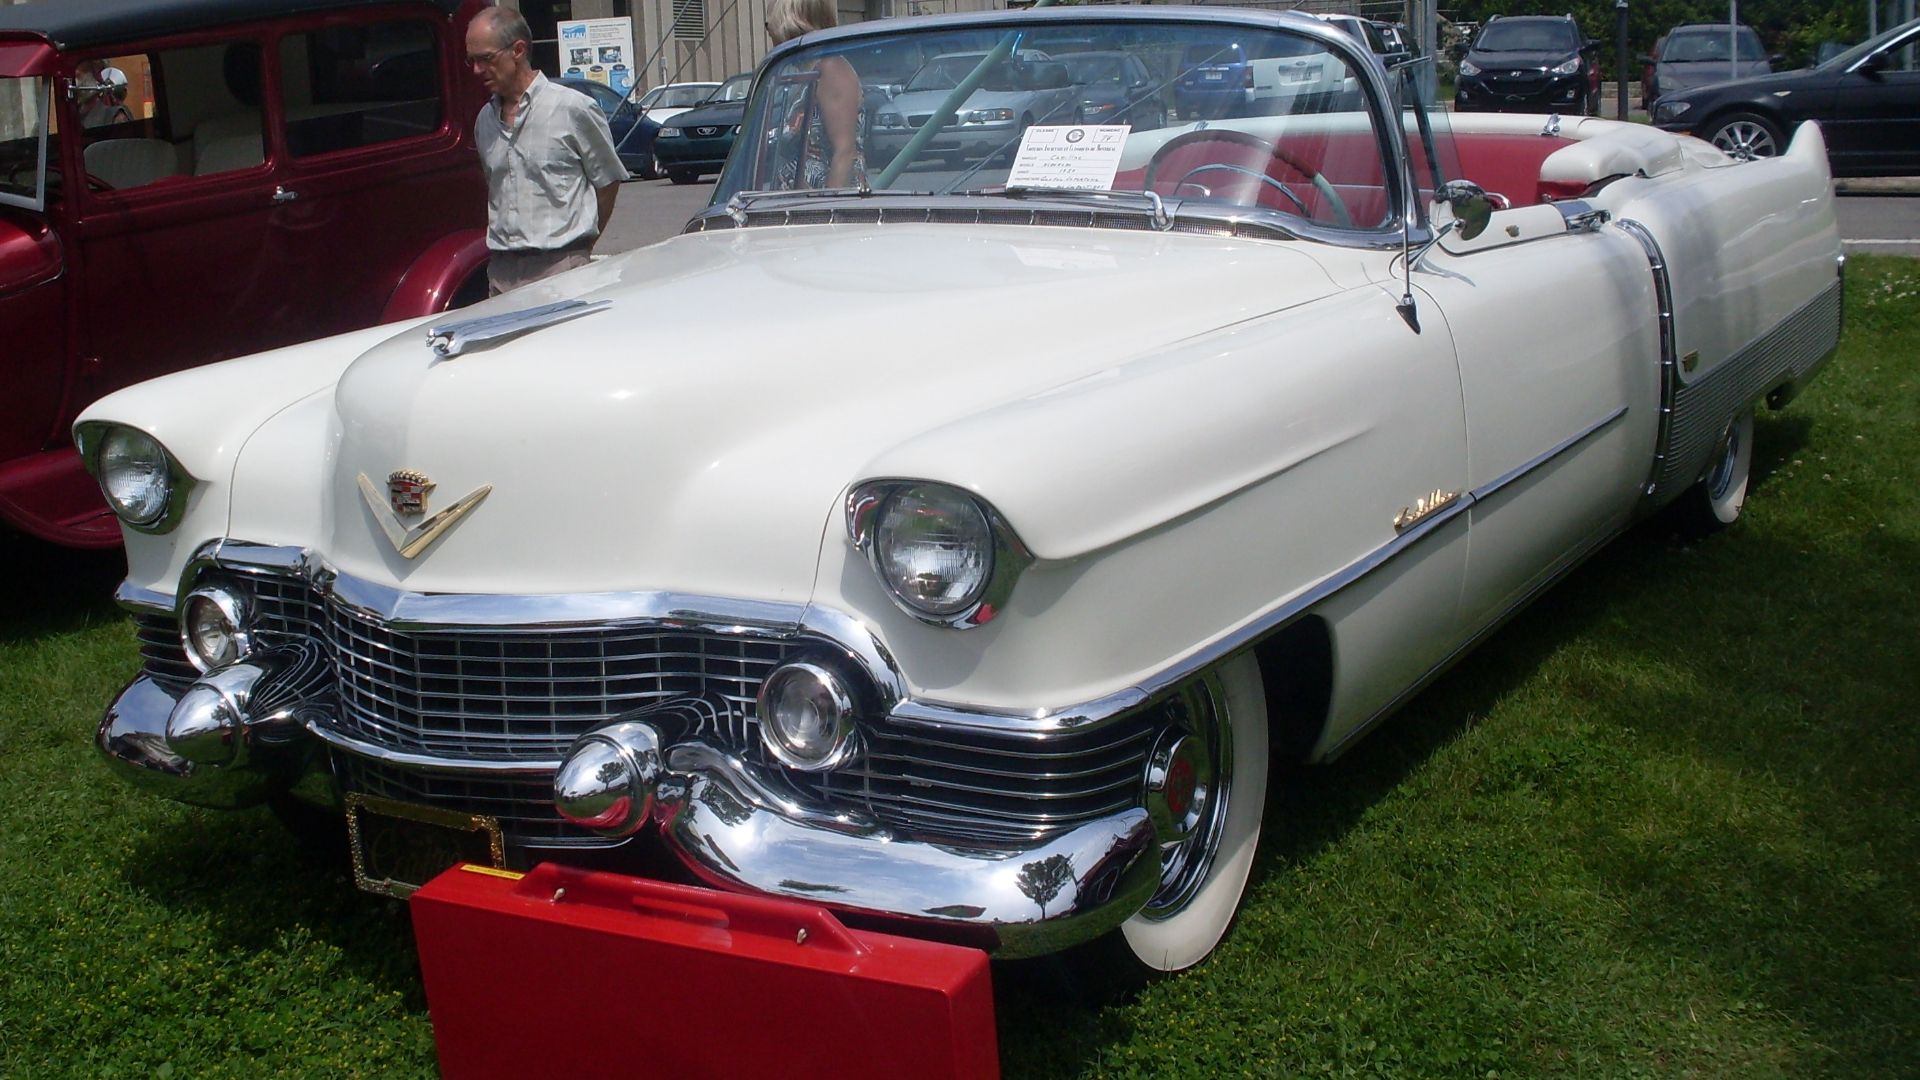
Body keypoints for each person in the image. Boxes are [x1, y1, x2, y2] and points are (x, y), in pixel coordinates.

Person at [467, 7, 628, 295]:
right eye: (472, 61)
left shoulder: (572, 108)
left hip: (560, 268)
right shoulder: (484, 121)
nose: (477, 70)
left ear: (518, 50)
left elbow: (607, 182)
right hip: (502, 274)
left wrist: (580, 249)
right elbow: (496, 188)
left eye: (486, 59)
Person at [766, 0, 864, 189]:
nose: (769, 30)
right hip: (798, 206)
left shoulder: (831, 68)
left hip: (823, 208)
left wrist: (829, 214)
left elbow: (845, 152)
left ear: (792, 21)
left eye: (770, 23)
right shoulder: (804, 71)